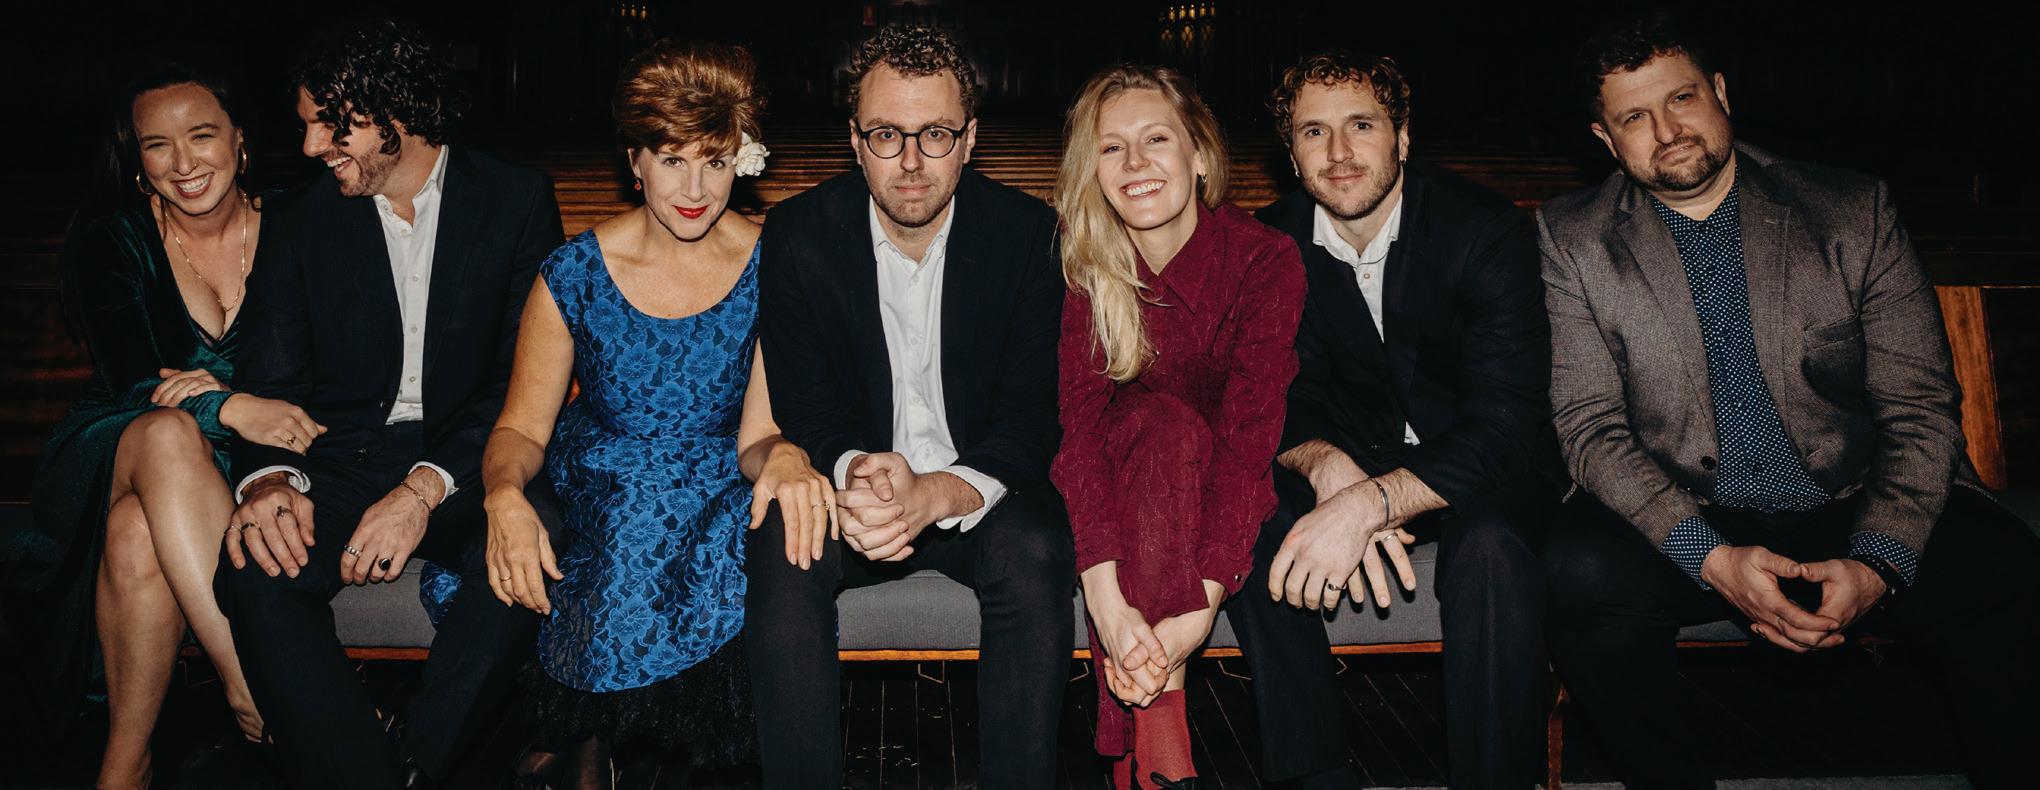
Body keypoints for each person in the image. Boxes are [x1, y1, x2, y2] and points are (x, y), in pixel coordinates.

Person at [1538, 13, 2040, 789]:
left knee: (2004, 567)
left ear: (1721, 92)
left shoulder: (1850, 211)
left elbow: (1919, 408)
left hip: (1851, 496)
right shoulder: (1573, 238)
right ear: (1606, 139)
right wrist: (1711, 560)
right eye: (1634, 117)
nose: (1667, 130)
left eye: (1681, 98)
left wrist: (1878, 562)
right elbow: (1589, 428)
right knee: (1573, 571)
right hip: (1688, 512)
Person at [211, 19, 563, 789]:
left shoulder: (514, 200)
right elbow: (270, 381)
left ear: (394, 111)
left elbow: (520, 381)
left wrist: (423, 488)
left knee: (527, 551)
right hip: (338, 457)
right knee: (254, 569)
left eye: (330, 125)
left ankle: (417, 766)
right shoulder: (300, 221)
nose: (311, 147)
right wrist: (270, 480)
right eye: (306, 126)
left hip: (469, 457)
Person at [479, 39, 826, 789]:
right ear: (633, 161)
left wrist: (783, 457)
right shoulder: (574, 273)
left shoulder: (776, 262)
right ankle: (591, 743)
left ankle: (595, 740)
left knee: (688, 531)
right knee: (624, 519)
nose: (695, 188)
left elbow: (764, 432)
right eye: (672, 160)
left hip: (726, 476)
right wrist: (502, 493)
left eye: (715, 160)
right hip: (604, 478)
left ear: (741, 160)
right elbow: (520, 429)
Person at [745, 25, 1074, 789]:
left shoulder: (1028, 236)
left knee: (1036, 546)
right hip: (856, 487)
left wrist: (938, 492)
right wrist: (856, 470)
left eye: (936, 134)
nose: (914, 161)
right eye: (888, 135)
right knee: (782, 541)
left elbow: (1032, 418)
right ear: (854, 141)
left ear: (970, 140)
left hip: (979, 489)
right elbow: (804, 402)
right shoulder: (798, 234)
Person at [1227, 52, 1565, 789]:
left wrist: (1370, 505)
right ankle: (1315, 773)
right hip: (1351, 456)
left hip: (1483, 465)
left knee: (1491, 547)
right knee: (1247, 508)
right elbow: (1266, 397)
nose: (1339, 153)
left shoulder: (1483, 230)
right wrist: (1327, 467)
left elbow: (1506, 421)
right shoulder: (1267, 245)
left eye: (1361, 126)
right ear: (1291, 153)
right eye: (1313, 132)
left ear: (1402, 136)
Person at [0, 62, 323, 790]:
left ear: (239, 141)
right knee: (171, 433)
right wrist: (229, 405)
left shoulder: (299, 226)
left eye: (201, 136)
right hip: (114, 447)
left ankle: (126, 765)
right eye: (156, 145)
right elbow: (135, 380)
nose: (183, 164)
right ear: (136, 159)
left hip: (232, 469)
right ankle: (255, 684)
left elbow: (331, 366)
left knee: (136, 534)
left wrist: (234, 404)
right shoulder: (112, 239)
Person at [1050, 64, 1305, 789]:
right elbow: (1078, 440)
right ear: (1093, 170)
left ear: (1199, 153)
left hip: (1224, 497)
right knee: (1157, 426)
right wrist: (1108, 607)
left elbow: (1249, 445)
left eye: (1156, 139)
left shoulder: (1263, 259)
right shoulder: (1083, 262)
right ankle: (1163, 740)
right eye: (1112, 147)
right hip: (1109, 495)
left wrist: (1200, 609)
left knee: (1174, 431)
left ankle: (1143, 745)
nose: (1135, 163)